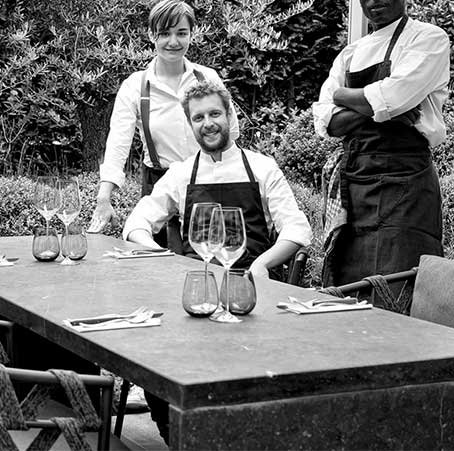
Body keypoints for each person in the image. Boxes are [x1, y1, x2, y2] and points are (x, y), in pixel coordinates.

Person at [121, 80, 311, 443]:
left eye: (214, 114)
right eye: (198, 118)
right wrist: (161, 256)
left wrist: (262, 264)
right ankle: (179, 437)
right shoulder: (181, 173)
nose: (208, 123)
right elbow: (137, 223)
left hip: (250, 294)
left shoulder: (262, 167)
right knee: (157, 362)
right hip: (197, 294)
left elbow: (297, 228)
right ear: (190, 124)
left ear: (229, 115)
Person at [312, 0, 449, 289]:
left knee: (399, 285)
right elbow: (327, 122)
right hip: (355, 183)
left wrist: (344, 96)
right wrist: (382, 107)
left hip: (406, 184)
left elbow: (395, 96)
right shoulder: (350, 53)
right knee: (349, 288)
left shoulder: (428, 38)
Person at [89, 0, 239, 254]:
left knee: (210, 262)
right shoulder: (135, 86)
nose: (173, 41)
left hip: (209, 184)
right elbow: (117, 145)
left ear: (191, 34)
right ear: (152, 35)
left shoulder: (208, 78)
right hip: (159, 187)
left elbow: (231, 134)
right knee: (158, 265)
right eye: (165, 33)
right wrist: (104, 197)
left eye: (181, 33)